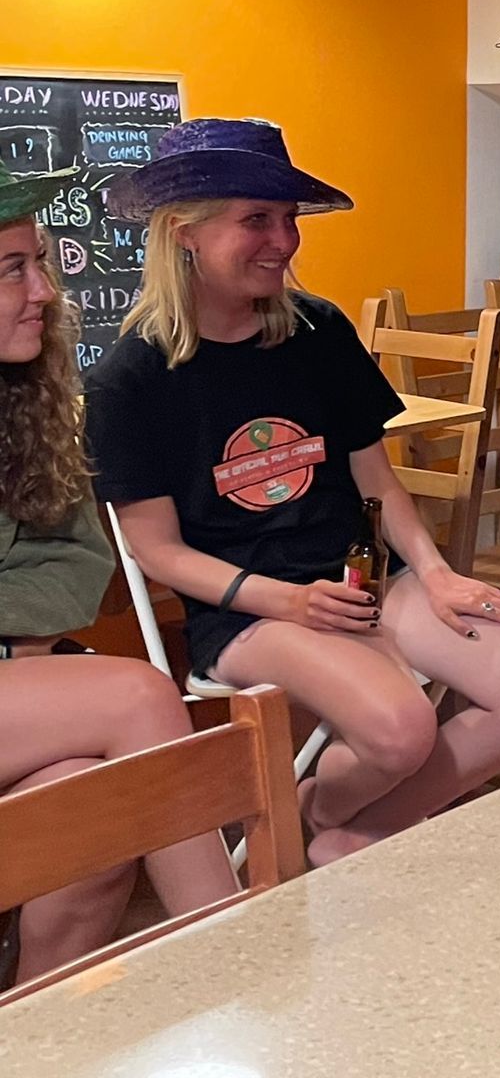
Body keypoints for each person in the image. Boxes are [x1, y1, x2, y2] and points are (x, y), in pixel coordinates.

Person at [85, 119, 500, 868]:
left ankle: (351, 830)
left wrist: (436, 573)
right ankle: (320, 811)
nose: (283, 241)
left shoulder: (317, 330)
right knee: (401, 729)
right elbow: (157, 552)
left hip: (364, 584)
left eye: (288, 220)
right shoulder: (130, 380)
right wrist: (288, 602)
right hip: (248, 612)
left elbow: (375, 477)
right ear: (184, 232)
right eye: (257, 220)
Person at [0, 160, 239, 989]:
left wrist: (19, 648)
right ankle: (241, 965)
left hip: (21, 685)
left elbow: (77, 563)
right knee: (139, 695)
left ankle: (35, 1035)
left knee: (91, 805)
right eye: (12, 269)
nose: (44, 291)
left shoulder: (25, 399)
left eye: (42, 263)